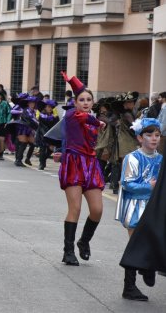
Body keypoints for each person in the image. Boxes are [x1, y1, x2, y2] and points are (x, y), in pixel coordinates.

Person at [57, 72, 106, 266]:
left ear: (93, 102)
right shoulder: (71, 114)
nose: (85, 103)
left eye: (88, 100)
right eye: (81, 99)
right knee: (75, 208)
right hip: (74, 164)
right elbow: (81, 121)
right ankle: (68, 251)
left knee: (97, 210)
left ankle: (83, 241)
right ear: (75, 102)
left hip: (91, 165)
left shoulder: (92, 118)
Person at [115, 118, 162, 301]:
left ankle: (147, 267)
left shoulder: (161, 159)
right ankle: (129, 286)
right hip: (135, 206)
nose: (154, 138)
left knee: (153, 240)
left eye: (157, 135)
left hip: (154, 206)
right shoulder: (132, 157)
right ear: (140, 138)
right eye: (149, 135)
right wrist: (149, 186)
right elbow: (127, 184)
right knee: (135, 245)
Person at [36, 99, 59, 170]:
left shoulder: (55, 117)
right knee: (42, 149)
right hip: (43, 134)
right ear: (45, 107)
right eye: (48, 107)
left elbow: (57, 125)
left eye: (51, 107)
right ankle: (41, 164)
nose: (50, 108)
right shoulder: (41, 116)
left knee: (51, 149)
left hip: (51, 135)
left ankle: (44, 159)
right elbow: (43, 126)